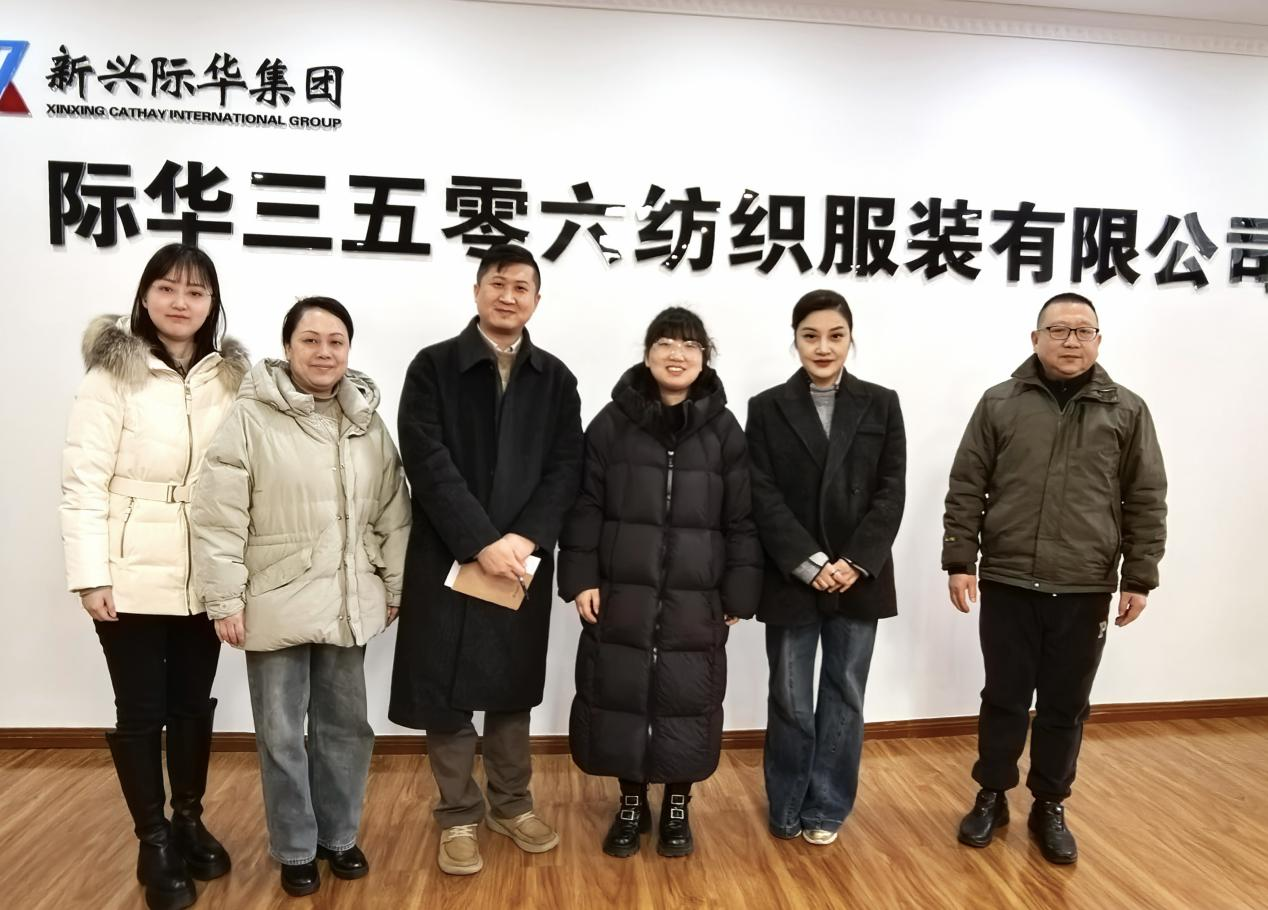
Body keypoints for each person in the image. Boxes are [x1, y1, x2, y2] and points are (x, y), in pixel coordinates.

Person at [190, 297, 410, 896]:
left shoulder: (366, 420)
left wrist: (393, 584)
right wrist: (225, 599)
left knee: (346, 728)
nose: (323, 352)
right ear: (287, 347)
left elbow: (393, 511)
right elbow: (218, 516)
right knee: (282, 734)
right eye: (310, 340)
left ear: (348, 349)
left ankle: (339, 836)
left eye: (336, 341)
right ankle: (294, 847)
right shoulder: (250, 416)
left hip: (348, 599)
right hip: (273, 598)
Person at [943, 291, 1167, 865]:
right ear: (1035, 338)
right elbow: (967, 484)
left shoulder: (1127, 410)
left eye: (1083, 330)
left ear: (1098, 340)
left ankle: (1049, 804)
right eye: (1059, 330)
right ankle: (992, 795)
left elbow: (1145, 497)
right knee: (1003, 697)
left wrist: (1139, 577)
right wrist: (960, 560)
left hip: (1084, 585)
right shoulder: (1000, 403)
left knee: (1066, 705)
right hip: (1009, 579)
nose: (1071, 340)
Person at [60, 243, 247, 910]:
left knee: (192, 703)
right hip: (129, 566)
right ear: (145, 296)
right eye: (167, 288)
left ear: (211, 304)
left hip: (204, 566)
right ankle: (153, 838)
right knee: (140, 709)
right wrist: (90, 575)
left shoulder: (230, 377)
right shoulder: (112, 375)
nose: (180, 302)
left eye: (195, 292)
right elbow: (82, 482)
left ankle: (189, 819)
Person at [388, 244, 583, 876]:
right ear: (477, 291)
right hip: (448, 558)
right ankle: (458, 815)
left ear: (536, 300)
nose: (509, 296)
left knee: (510, 689)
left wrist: (524, 539)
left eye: (522, 287)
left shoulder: (556, 379)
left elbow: (567, 467)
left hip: (522, 561)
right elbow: (426, 459)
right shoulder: (433, 366)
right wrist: (480, 540)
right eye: (498, 283)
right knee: (444, 694)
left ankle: (512, 804)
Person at [558, 307, 763, 859]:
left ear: (705, 358)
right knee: (620, 694)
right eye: (666, 343)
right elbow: (585, 505)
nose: (678, 354)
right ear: (647, 354)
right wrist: (580, 578)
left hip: (697, 598)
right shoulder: (611, 424)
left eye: (690, 345)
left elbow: (742, 519)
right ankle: (630, 803)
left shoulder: (724, 431)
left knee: (687, 699)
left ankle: (677, 804)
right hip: (622, 591)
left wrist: (740, 591)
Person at [744, 289, 906, 846]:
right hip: (793, 574)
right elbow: (762, 494)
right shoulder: (767, 407)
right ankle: (787, 802)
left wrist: (854, 562)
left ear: (850, 339)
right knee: (790, 696)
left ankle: (827, 805)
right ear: (794, 340)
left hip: (859, 575)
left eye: (835, 336)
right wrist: (809, 563)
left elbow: (891, 491)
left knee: (845, 693)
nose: (823, 347)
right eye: (810, 335)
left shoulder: (881, 403)